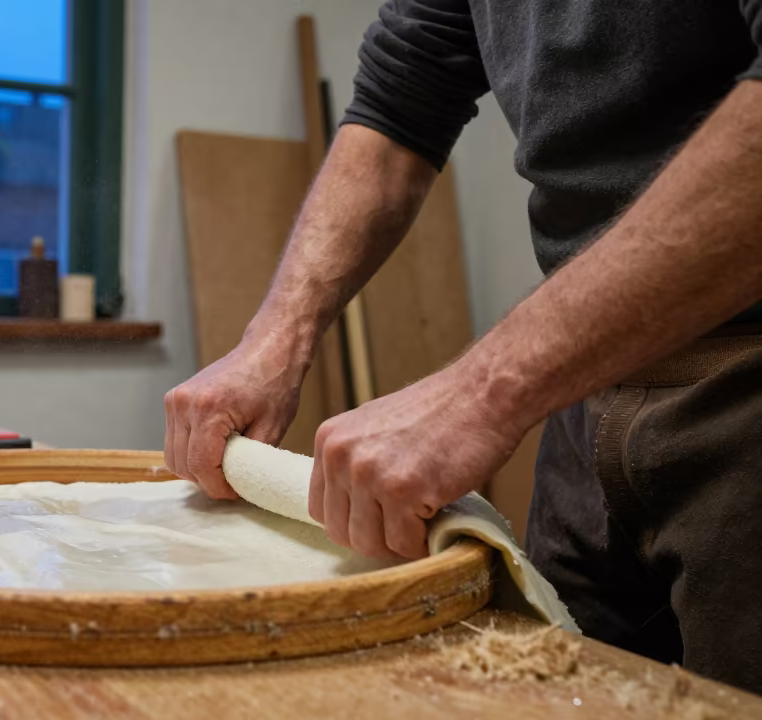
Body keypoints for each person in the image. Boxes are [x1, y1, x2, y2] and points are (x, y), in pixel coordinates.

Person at [163, 0, 762, 694]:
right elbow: (400, 101)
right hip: (585, 394)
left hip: (744, 393)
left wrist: (481, 393)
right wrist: (272, 342)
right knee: (548, 692)